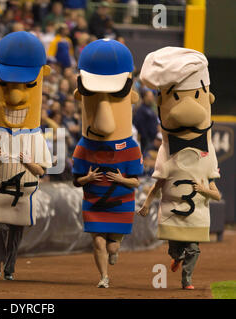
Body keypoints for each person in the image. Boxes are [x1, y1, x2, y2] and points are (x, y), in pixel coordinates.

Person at [138, 47, 221, 290]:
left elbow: (215, 192)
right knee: (175, 248)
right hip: (173, 211)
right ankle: (176, 257)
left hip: (196, 212)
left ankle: (187, 280)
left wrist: (203, 190)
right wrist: (146, 204)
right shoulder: (166, 151)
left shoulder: (208, 152)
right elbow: (159, 182)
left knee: (194, 248)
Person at [72, 39, 143, 288]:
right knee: (98, 241)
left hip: (121, 203)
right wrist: (87, 180)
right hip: (94, 201)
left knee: (112, 244)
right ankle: (103, 277)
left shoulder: (132, 147)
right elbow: (76, 179)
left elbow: (136, 181)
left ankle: (116, 248)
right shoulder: (83, 146)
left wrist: (120, 180)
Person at [0, 32, 53, 281]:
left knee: (16, 232)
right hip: (1, 189)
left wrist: (28, 162)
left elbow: (42, 171)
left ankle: (10, 268)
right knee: (0, 228)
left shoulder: (36, 136)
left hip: (23, 192)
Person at [133, 89, 158, 154]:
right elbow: (138, 124)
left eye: (152, 96)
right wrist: (145, 137)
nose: (152, 98)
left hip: (152, 138)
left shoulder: (150, 108)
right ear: (145, 97)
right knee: (145, 156)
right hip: (146, 140)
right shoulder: (141, 110)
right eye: (150, 96)